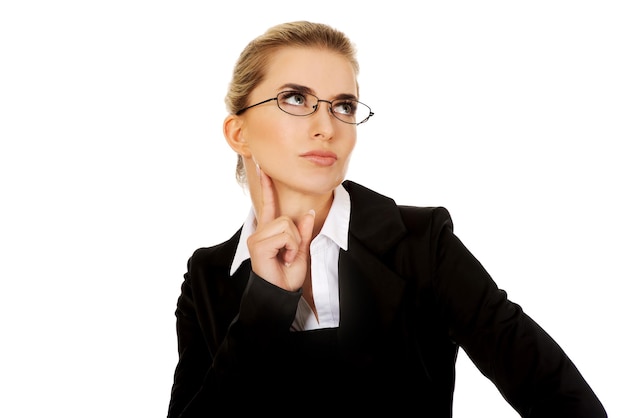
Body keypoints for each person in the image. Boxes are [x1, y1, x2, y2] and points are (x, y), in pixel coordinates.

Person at [167, 21, 606, 417]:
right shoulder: (207, 276)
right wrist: (263, 303)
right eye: (296, 99)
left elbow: (564, 399)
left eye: (343, 106)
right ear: (238, 132)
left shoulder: (422, 243)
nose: (327, 126)